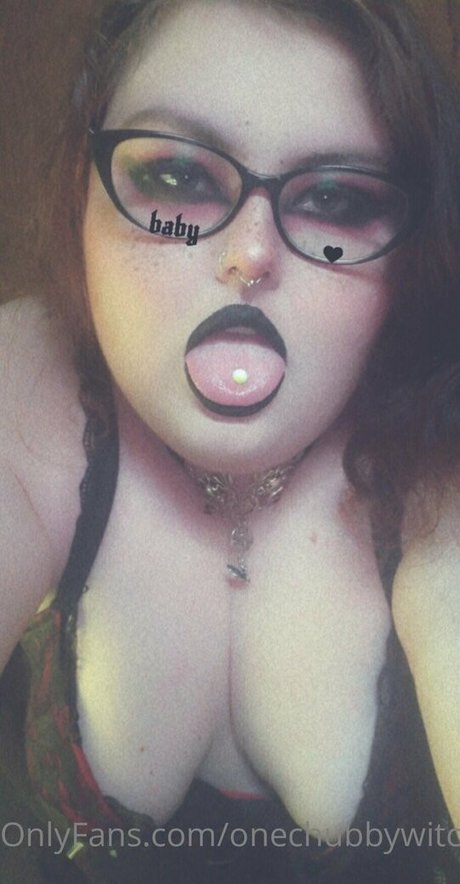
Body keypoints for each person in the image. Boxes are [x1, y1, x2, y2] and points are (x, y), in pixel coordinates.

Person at [1, 0, 460, 881]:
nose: (250, 254)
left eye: (336, 198)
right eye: (176, 176)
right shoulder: (27, 383)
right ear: (79, 194)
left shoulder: (438, 465)